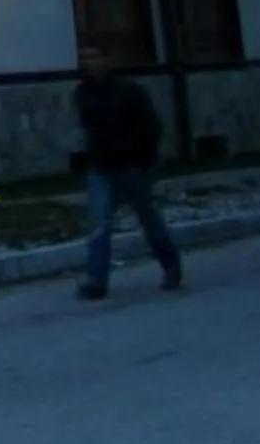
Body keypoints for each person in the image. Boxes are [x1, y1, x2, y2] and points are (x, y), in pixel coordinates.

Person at [75, 46, 181, 299]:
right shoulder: (83, 94)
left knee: (148, 220)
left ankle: (170, 265)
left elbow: (151, 127)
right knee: (99, 224)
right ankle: (96, 280)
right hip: (101, 167)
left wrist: (143, 159)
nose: (89, 63)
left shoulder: (128, 92)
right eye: (85, 58)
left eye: (94, 57)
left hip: (131, 166)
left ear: (107, 60)